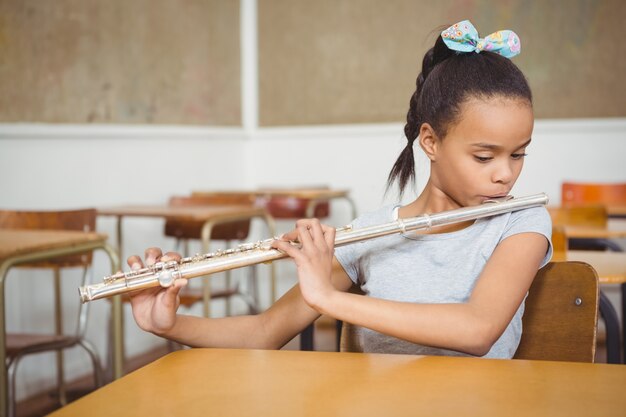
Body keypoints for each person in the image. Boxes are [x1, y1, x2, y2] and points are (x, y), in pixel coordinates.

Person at [127, 20, 552, 358]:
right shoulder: (369, 234)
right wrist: (170, 324)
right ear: (431, 142)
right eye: (484, 157)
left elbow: (477, 330)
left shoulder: (521, 223)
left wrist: (329, 299)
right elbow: (263, 333)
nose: (505, 175)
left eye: (518, 155)